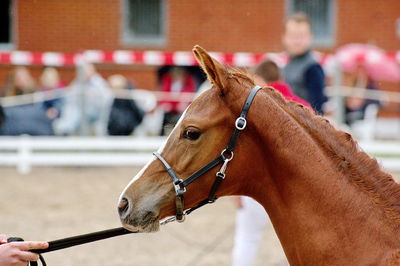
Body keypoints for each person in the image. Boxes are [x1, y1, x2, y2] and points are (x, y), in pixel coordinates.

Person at [231, 60, 309, 266]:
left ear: (259, 79)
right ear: (280, 78)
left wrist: (238, 189)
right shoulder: (303, 106)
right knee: (300, 243)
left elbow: (242, 149)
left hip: (257, 183)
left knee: (247, 238)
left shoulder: (252, 108)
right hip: (295, 187)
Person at [282, 12, 327, 114]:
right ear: (284, 37)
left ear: (310, 37)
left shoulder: (313, 68)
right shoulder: (286, 66)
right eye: (292, 36)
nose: (297, 41)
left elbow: (316, 111)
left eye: (301, 36)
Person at [53, 63, 112, 136]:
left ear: (92, 71)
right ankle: (64, 127)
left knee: (77, 111)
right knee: (71, 109)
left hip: (95, 112)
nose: (83, 74)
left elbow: (107, 100)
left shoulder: (99, 83)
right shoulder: (78, 82)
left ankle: (65, 129)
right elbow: (69, 98)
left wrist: (92, 99)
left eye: (85, 71)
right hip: (79, 110)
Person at [158, 67, 196, 135]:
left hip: (181, 109)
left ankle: (181, 134)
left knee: (182, 116)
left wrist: (184, 104)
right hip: (170, 108)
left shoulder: (188, 81)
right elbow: (164, 93)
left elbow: (189, 94)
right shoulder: (167, 80)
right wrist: (166, 104)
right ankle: (161, 134)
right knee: (164, 115)